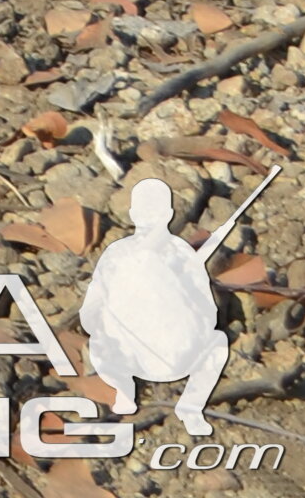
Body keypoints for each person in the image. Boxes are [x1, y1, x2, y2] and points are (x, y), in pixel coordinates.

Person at [84, 176, 238, 435]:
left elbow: (91, 312)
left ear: (133, 214)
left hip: (134, 356)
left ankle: (125, 393)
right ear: (169, 214)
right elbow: (208, 312)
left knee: (98, 342)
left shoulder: (117, 252)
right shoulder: (181, 253)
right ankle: (191, 406)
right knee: (218, 342)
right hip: (178, 357)